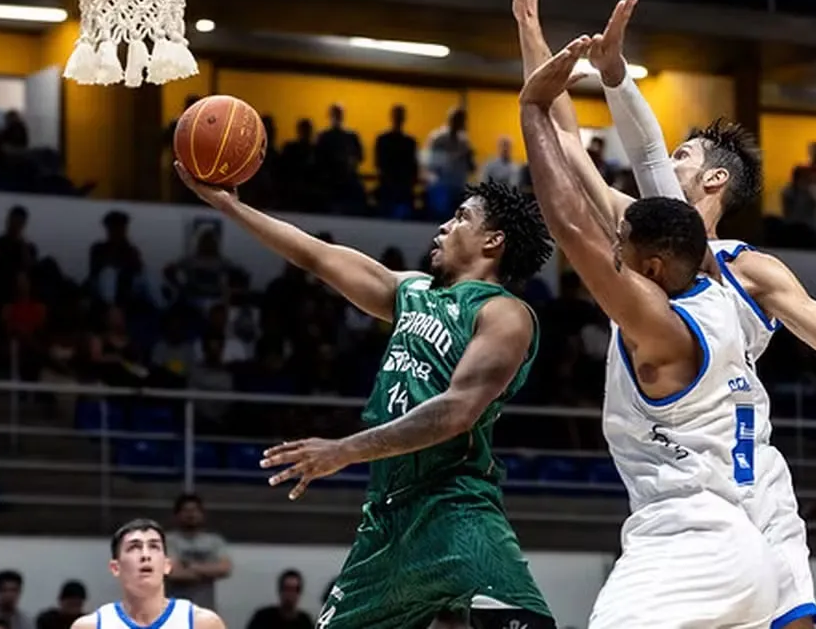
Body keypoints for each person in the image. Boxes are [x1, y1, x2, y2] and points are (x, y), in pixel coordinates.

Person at [512, 0, 816, 629]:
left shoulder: (742, 265)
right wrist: (529, 27)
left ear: (715, 179)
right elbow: (568, 141)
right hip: (702, 480)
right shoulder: (647, 229)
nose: (667, 158)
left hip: (739, 493)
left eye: (684, 154)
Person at [175, 162, 556, 629]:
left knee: (523, 623)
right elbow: (315, 255)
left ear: (493, 241)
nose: (444, 225)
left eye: (460, 217)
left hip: (454, 505)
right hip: (387, 517)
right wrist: (230, 206)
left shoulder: (504, 314)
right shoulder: (410, 291)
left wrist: (344, 450)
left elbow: (458, 410)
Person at [519, 37, 776, 629]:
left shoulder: (658, 323)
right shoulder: (710, 282)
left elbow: (570, 225)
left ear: (652, 268)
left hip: (690, 544)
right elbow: (619, 162)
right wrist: (532, 34)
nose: (615, 246)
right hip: (741, 547)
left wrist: (530, 108)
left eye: (622, 246)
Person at [69, 518, 226, 629]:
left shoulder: (203, 623)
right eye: (134, 547)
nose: (145, 555)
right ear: (115, 568)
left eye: (154, 547)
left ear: (167, 565)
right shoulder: (91, 626)